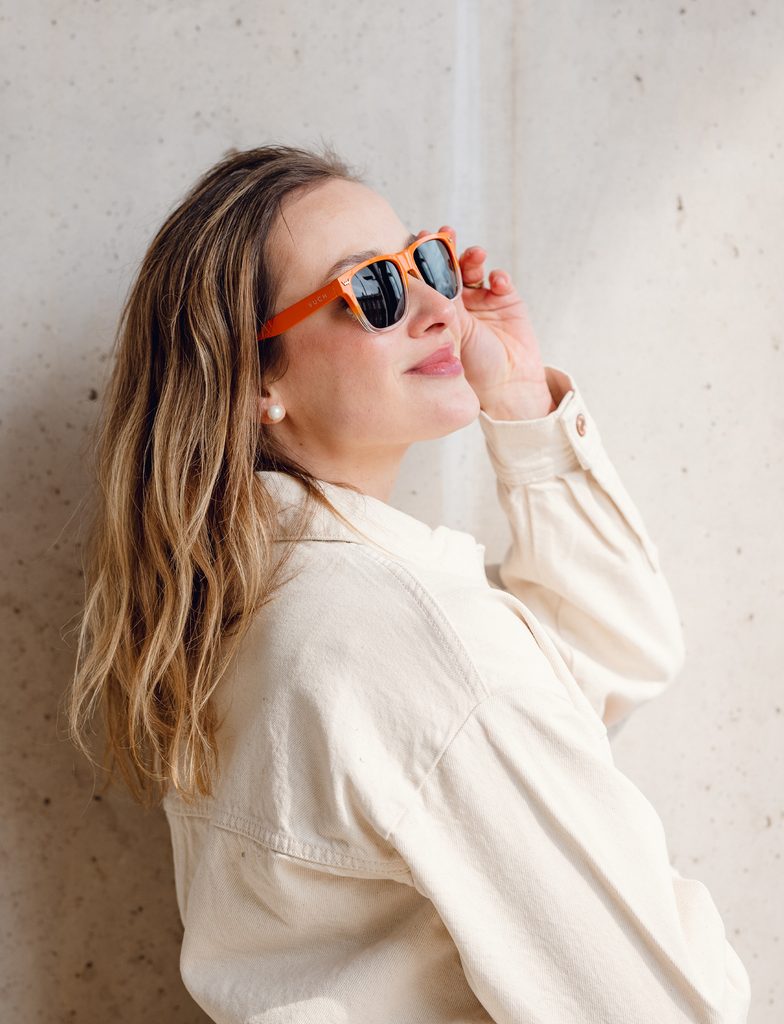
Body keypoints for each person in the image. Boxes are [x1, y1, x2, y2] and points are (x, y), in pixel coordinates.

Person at [65, 143, 751, 1023]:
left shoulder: (253, 601)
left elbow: (610, 657)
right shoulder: (406, 637)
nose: (439, 308)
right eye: (375, 289)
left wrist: (521, 402)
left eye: (426, 262)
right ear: (258, 378)